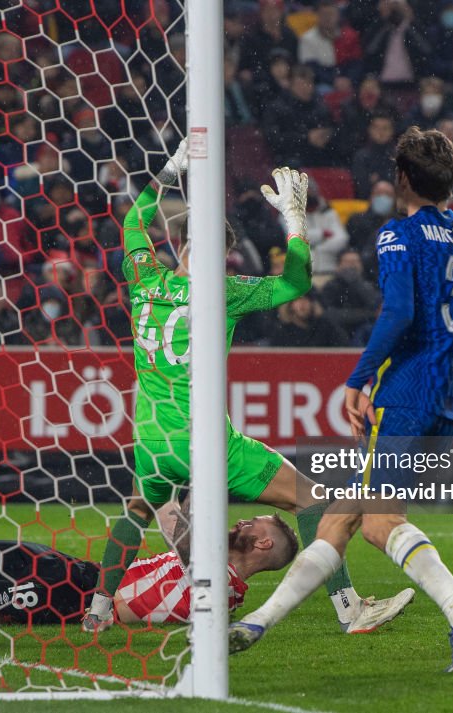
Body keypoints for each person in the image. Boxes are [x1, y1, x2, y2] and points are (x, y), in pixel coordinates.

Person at [228, 127, 453, 672]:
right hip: (443, 401)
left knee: (375, 519)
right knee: (337, 519)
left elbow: (398, 313)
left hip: (403, 394)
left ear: (400, 180)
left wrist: (358, 379)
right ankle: (256, 625)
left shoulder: (398, 236)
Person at [83, 141, 408, 635]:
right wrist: (295, 221)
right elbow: (297, 285)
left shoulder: (144, 278)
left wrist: (173, 167)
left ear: (182, 246)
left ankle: (98, 612)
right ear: (222, 253)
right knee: (311, 499)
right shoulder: (225, 292)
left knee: (136, 509)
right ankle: (349, 608)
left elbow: (132, 221)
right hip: (205, 442)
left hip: (151, 439)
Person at [0, 510, 331, 629]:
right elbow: (166, 516)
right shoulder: (206, 553)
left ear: (263, 544)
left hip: (75, 603)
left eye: (256, 524)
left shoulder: (222, 595)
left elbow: (136, 609)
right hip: (82, 574)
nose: (243, 520)